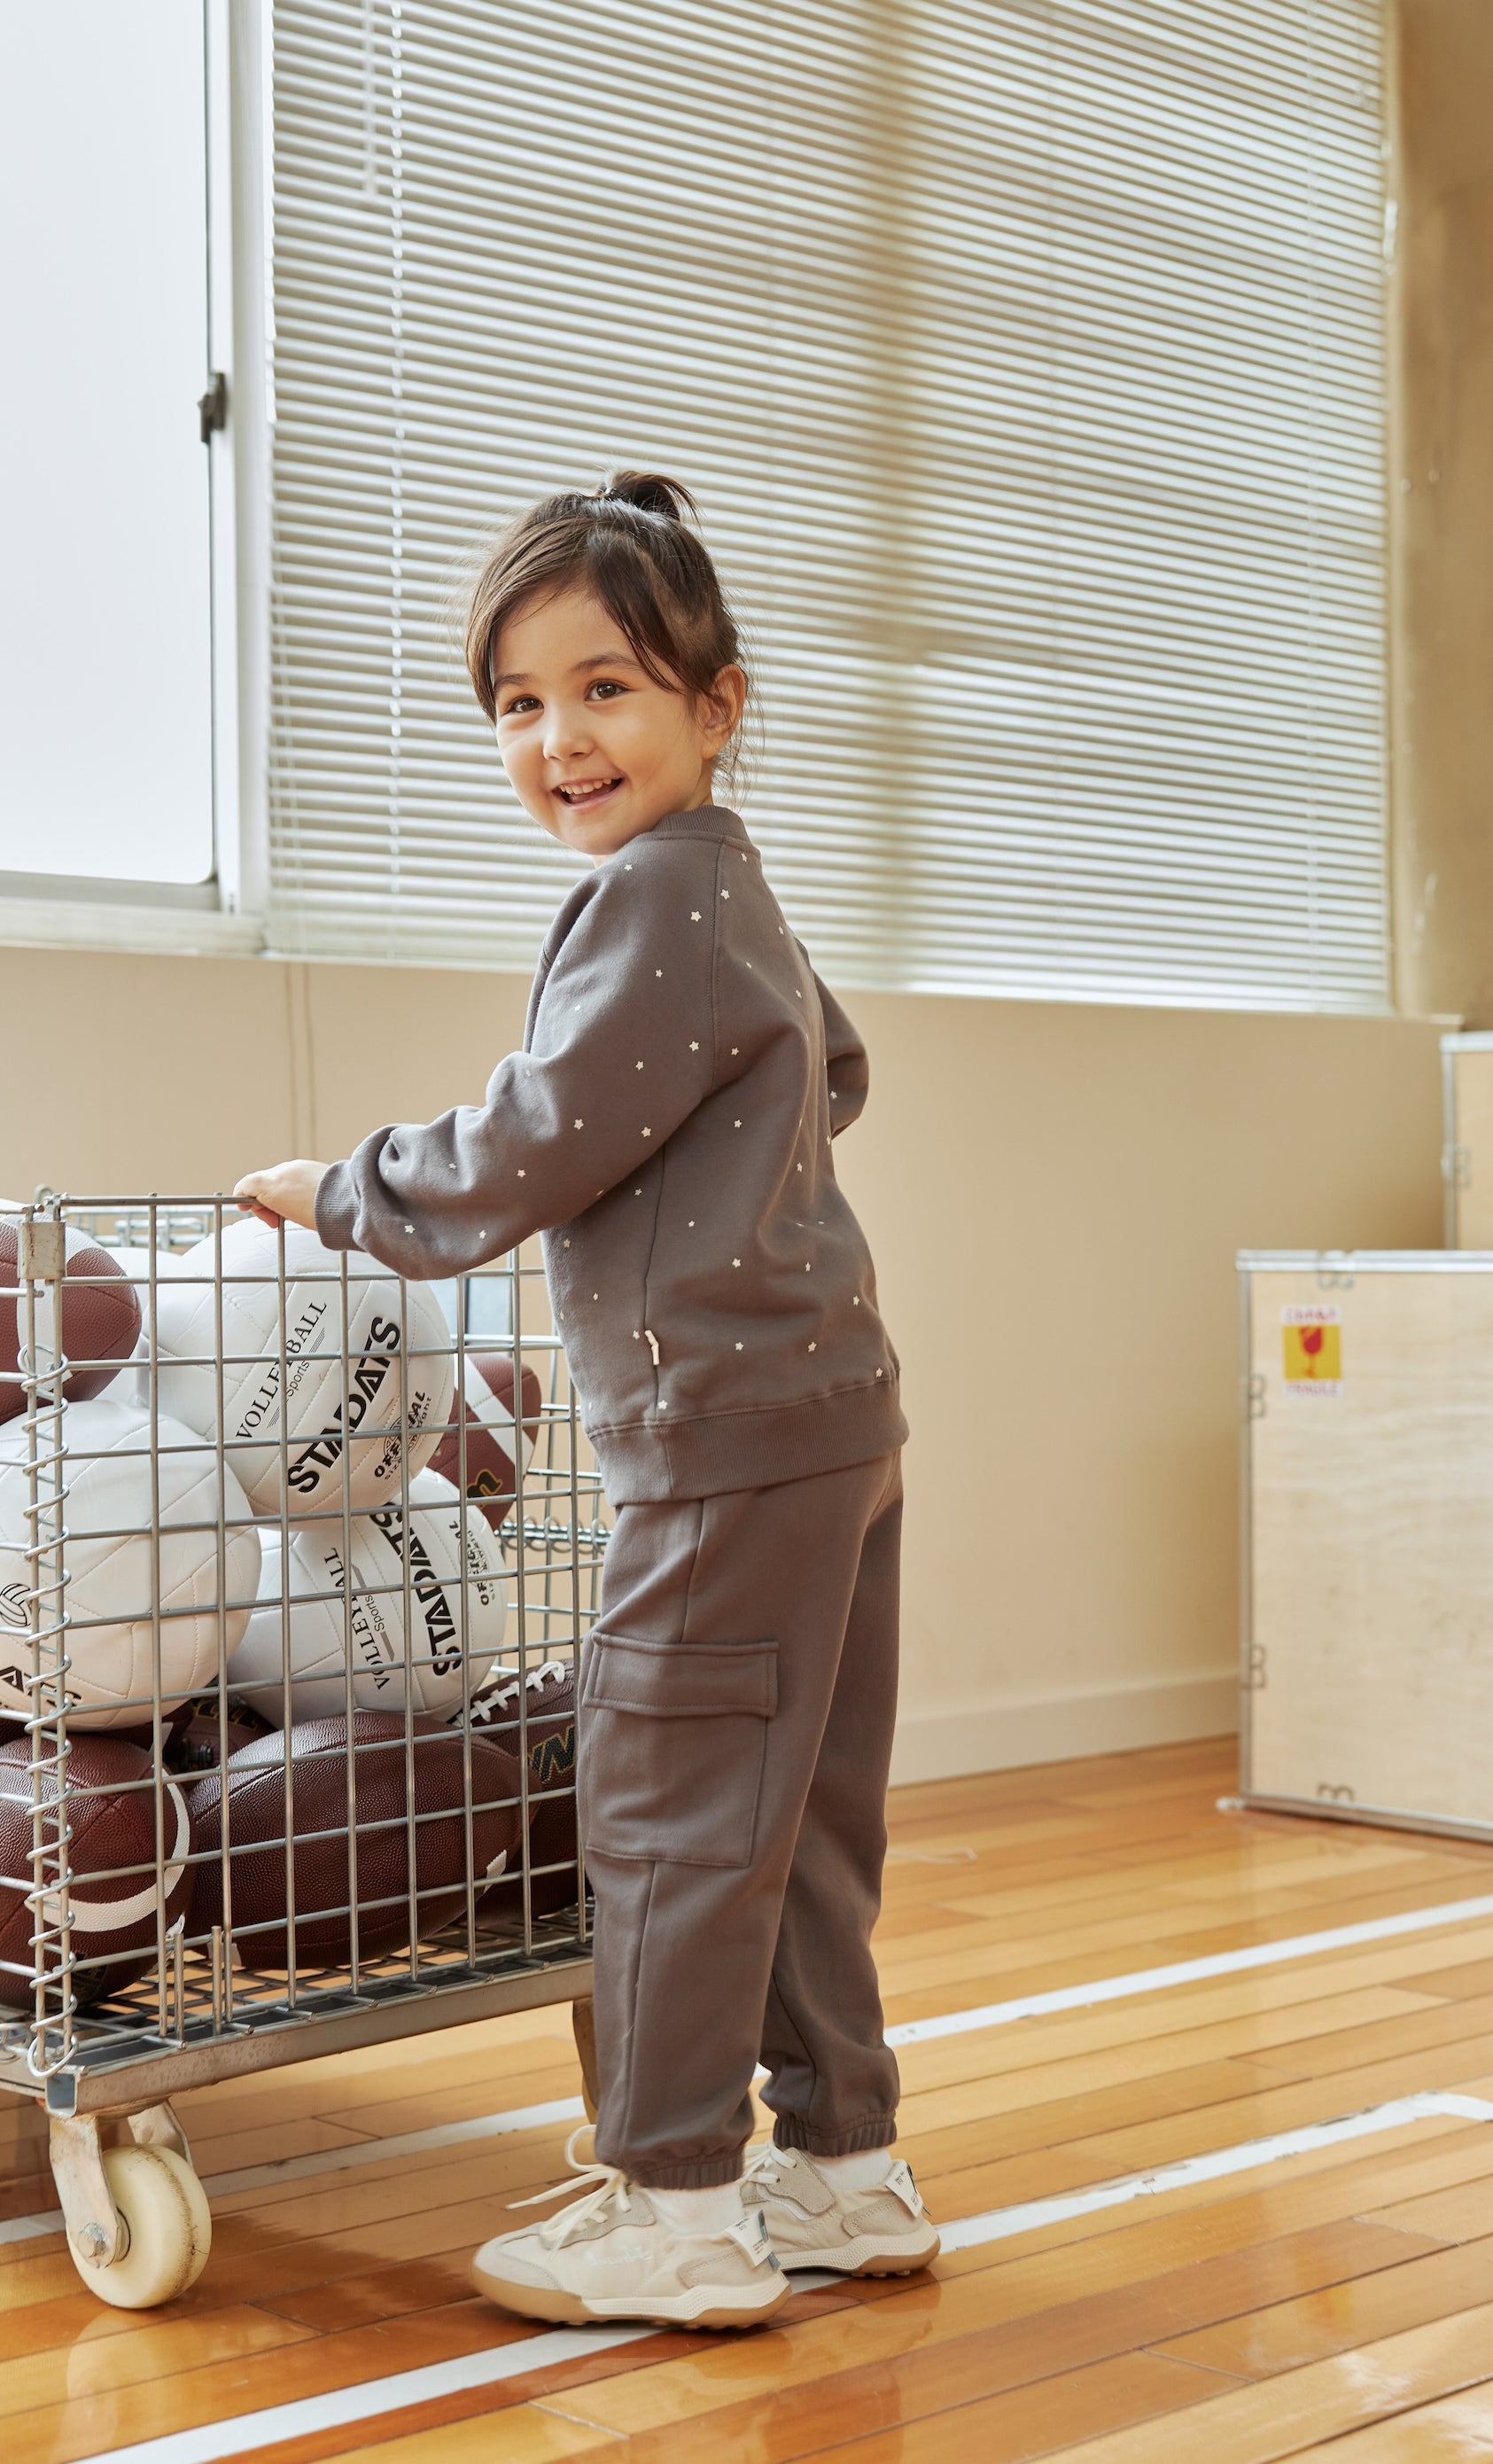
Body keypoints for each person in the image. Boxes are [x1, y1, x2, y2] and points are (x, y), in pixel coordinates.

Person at [236, 473, 936, 2330]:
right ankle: (843, 2165)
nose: (560, 736)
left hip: (717, 1449)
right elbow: (832, 1073)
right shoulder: (734, 895)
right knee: (799, 1808)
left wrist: (345, 1189)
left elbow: (529, 1144)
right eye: (519, 704)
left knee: (673, 1805)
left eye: (607, 687)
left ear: (718, 705)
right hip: (828, 1418)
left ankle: (675, 2199)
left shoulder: (648, 903)